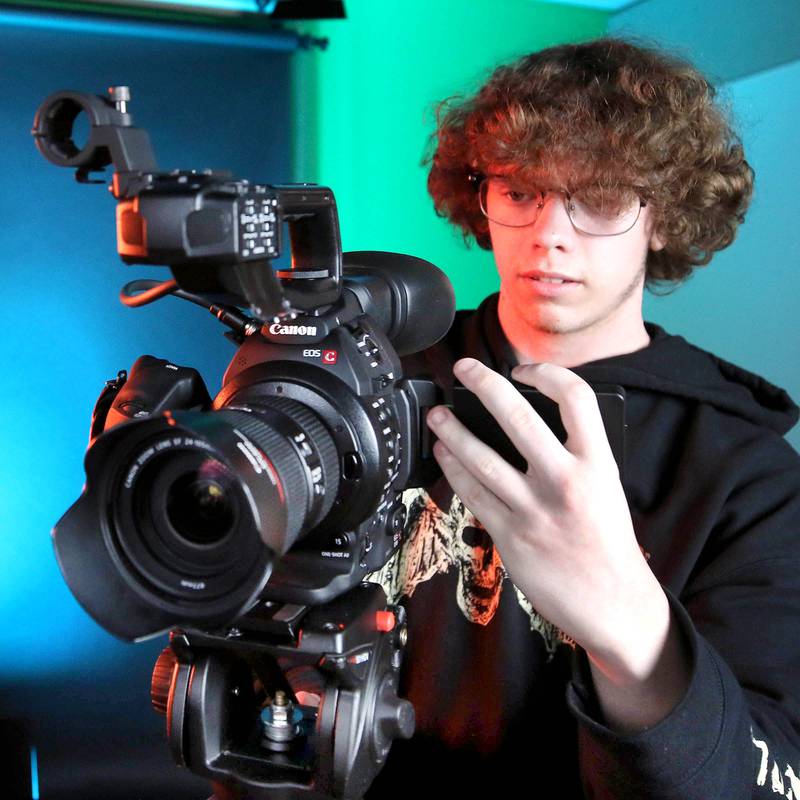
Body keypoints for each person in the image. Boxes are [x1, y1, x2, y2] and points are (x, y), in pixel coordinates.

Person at [365, 37, 800, 799]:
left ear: (661, 219)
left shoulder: (747, 476)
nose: (549, 234)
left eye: (597, 199)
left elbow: (767, 778)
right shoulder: (376, 379)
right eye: (521, 191)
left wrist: (633, 633)